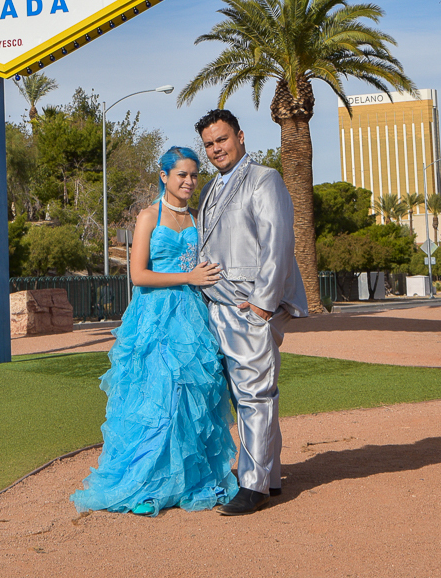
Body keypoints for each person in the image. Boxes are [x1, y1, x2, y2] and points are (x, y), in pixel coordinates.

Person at [71, 147, 239, 516]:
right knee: (157, 396)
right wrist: (188, 276)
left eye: (193, 175)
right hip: (154, 317)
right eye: (182, 175)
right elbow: (138, 275)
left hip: (191, 316)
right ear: (164, 176)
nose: (189, 181)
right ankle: (149, 482)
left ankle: (187, 479)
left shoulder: (196, 218)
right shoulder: (149, 216)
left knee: (191, 396)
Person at [196, 108, 308, 516]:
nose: (215, 149)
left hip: (249, 306)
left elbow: (278, 240)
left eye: (222, 139)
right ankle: (270, 477)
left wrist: (263, 303)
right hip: (218, 306)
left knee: (254, 395)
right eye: (209, 144)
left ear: (240, 137)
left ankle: (253, 485)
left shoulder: (265, 179)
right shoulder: (209, 189)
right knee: (245, 395)